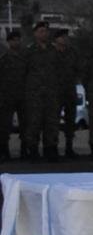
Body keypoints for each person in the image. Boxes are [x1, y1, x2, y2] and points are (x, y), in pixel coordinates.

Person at [23, 21, 60, 161]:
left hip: (51, 93)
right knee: (34, 122)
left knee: (51, 123)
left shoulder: (53, 50)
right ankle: (33, 151)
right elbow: (23, 72)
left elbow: (59, 71)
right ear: (35, 33)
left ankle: (50, 150)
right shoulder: (29, 51)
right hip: (34, 93)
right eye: (40, 31)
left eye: (45, 31)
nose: (43, 33)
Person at [0, 30, 26, 160]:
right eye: (14, 40)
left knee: (25, 124)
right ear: (9, 42)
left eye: (18, 39)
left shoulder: (25, 57)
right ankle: (4, 151)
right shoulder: (4, 58)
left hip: (23, 95)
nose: (17, 42)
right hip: (7, 96)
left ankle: (24, 150)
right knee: (5, 125)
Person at [53, 29, 80, 158]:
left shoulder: (73, 53)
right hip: (55, 92)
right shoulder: (51, 53)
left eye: (66, 37)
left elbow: (78, 70)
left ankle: (69, 147)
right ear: (56, 39)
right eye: (62, 37)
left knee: (70, 122)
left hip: (69, 91)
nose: (65, 39)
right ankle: (53, 148)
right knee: (53, 122)